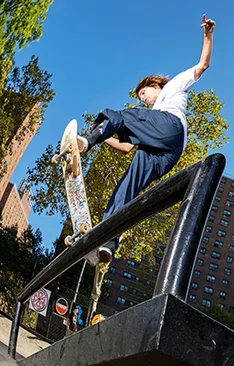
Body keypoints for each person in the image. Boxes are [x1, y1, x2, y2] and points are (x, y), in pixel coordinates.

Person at [76, 15, 216, 263]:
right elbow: (126, 148)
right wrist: (106, 138)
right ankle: (108, 240)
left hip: (171, 128)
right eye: (141, 96)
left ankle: (88, 140)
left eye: (143, 93)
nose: (143, 98)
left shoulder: (173, 86)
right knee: (127, 186)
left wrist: (207, 35)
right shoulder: (149, 120)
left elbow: (202, 65)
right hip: (166, 155)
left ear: (154, 84)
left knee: (122, 116)